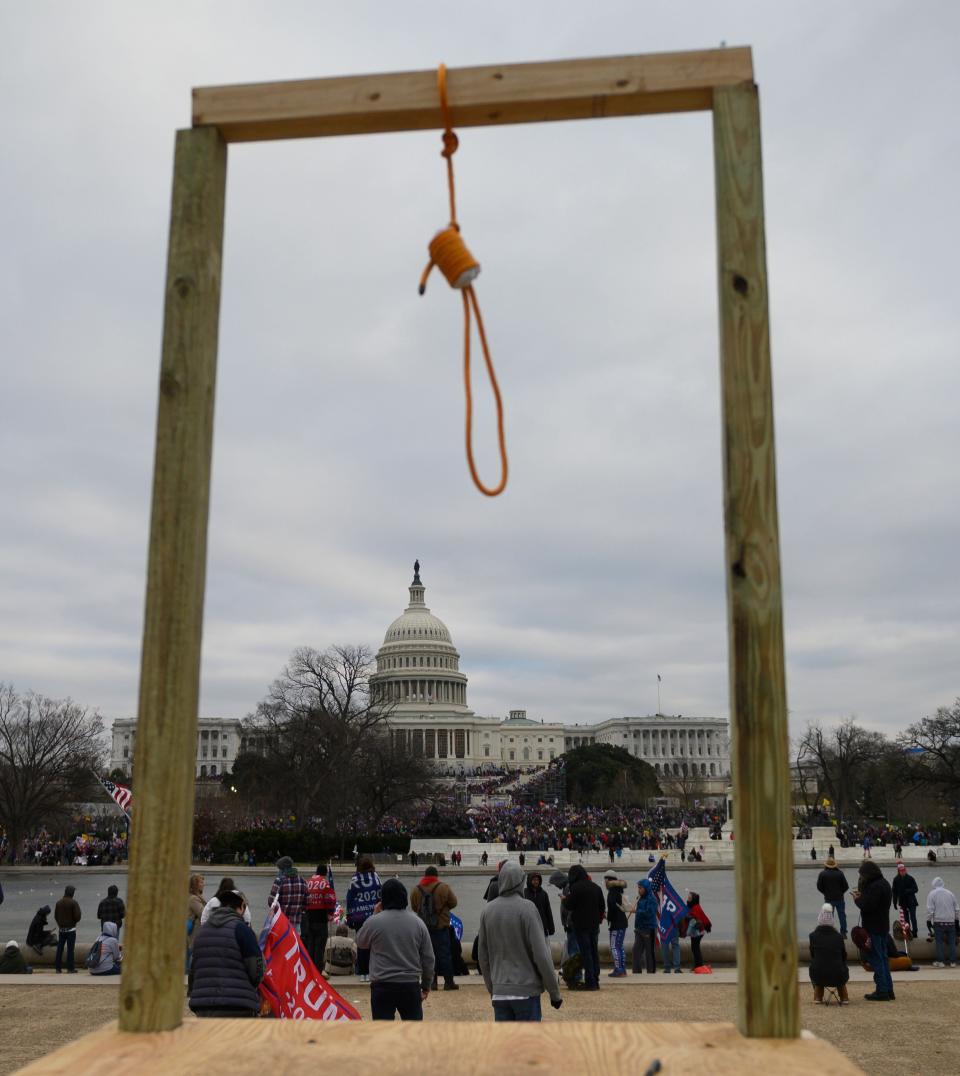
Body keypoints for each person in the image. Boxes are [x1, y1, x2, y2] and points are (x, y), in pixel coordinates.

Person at [478, 861, 563, 1021]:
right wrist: (554, 992)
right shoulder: (528, 908)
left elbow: (483, 957)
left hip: (500, 992)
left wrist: (493, 988)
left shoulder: (487, 911)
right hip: (526, 991)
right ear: (521, 882)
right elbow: (541, 955)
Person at [356, 878, 434, 1021]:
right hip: (410, 984)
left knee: (383, 1033)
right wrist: (426, 985)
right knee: (413, 1034)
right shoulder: (418, 923)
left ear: (382, 899)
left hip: (382, 984)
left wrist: (374, 914)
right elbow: (428, 958)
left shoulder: (374, 922)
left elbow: (361, 942)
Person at [189, 889, 263, 1018]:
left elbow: (193, 969)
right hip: (238, 1005)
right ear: (241, 907)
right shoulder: (242, 930)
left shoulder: (202, 932)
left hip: (204, 1006)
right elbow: (256, 969)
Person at [410, 865, 459, 990]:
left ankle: (432, 982)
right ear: (436, 876)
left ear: (425, 876)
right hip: (441, 927)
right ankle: (448, 982)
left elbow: (414, 907)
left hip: (423, 929)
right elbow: (454, 902)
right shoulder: (443, 887)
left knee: (426, 956)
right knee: (444, 955)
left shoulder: (416, 889)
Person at [852, 860, 894, 1001]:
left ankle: (882, 991)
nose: (862, 878)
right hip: (883, 926)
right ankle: (888, 990)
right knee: (883, 958)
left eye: (862, 875)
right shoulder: (885, 883)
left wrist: (857, 899)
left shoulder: (874, 887)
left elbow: (868, 906)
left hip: (873, 926)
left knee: (876, 959)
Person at [562, 864, 605, 990]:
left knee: (586, 953)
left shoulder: (575, 888)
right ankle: (596, 980)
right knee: (594, 952)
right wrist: (598, 919)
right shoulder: (596, 887)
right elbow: (602, 906)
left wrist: (564, 899)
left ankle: (590, 981)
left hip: (581, 925)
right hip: (594, 924)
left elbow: (570, 905)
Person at [346, 857, 383, 981]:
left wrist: (349, 916)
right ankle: (373, 970)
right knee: (374, 944)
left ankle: (362, 972)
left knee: (362, 944)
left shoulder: (354, 880)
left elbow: (350, 900)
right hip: (374, 915)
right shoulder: (376, 878)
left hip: (359, 916)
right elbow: (381, 896)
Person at [808, 903, 848, 1004]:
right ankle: (844, 997)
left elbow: (812, 955)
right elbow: (844, 956)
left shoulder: (813, 936)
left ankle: (818, 997)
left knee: (817, 967)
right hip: (838, 974)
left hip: (819, 974)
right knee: (839, 968)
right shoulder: (839, 937)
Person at [305, 863, 336, 971]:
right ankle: (317, 971)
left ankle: (309, 969)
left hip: (308, 917)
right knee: (320, 945)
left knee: (310, 944)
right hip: (321, 917)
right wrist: (331, 914)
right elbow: (330, 900)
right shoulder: (325, 883)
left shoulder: (308, 882)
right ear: (325, 873)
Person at [268, 855, 309, 934]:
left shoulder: (279, 881)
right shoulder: (303, 881)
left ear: (283, 869)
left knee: (282, 945)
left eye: (279, 869)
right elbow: (307, 903)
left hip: (281, 922)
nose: (278, 871)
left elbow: (271, 902)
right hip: (296, 923)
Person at [926, 876, 959, 968]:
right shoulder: (950, 893)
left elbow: (930, 909)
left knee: (939, 942)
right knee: (952, 942)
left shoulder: (932, 894)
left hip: (939, 922)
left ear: (933, 884)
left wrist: (928, 920)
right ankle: (953, 962)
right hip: (951, 922)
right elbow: (957, 909)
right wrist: (957, 920)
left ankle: (941, 961)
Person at [603, 870, 629, 978]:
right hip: (622, 922)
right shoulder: (618, 891)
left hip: (616, 923)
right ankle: (622, 968)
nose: (604, 882)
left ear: (608, 880)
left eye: (605, 880)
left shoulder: (611, 893)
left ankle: (618, 969)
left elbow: (612, 909)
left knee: (614, 947)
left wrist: (607, 917)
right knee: (620, 947)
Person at [816, 857, 850, 938]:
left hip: (828, 899)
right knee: (842, 916)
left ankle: (829, 933)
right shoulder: (840, 873)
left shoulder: (822, 874)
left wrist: (825, 892)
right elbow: (846, 886)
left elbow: (819, 887)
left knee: (828, 916)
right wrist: (841, 893)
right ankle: (843, 933)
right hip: (840, 898)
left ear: (826, 865)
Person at [54, 885, 81, 974]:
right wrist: (73, 922)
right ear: (72, 893)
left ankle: (58, 968)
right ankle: (70, 968)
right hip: (71, 930)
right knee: (70, 949)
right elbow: (77, 916)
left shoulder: (58, 903)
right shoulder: (73, 903)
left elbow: (56, 916)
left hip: (61, 930)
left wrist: (60, 924)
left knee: (60, 948)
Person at [632, 880, 657, 974]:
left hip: (648, 928)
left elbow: (650, 913)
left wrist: (637, 911)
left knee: (649, 952)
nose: (638, 890)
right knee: (635, 950)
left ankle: (651, 971)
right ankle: (636, 971)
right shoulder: (639, 898)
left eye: (640, 888)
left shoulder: (652, 899)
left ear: (646, 888)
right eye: (638, 888)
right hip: (639, 928)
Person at [684, 891, 712, 970]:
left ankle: (699, 965)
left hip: (698, 932)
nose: (688, 899)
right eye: (688, 898)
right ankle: (697, 965)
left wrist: (688, 917)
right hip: (696, 932)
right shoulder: (693, 906)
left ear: (693, 899)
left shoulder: (696, 907)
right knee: (695, 948)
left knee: (695, 948)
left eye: (689, 898)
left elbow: (696, 918)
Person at [891, 863, 919, 940]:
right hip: (903, 902)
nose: (903, 872)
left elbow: (916, 889)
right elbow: (894, 892)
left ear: (905, 870)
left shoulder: (910, 878)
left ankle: (915, 932)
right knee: (906, 919)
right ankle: (908, 932)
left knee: (913, 917)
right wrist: (894, 902)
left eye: (904, 870)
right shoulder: (896, 880)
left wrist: (908, 891)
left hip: (911, 901)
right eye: (901, 871)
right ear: (898, 871)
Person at [523, 872, 555, 937]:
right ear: (529, 881)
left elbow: (548, 911)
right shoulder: (524, 893)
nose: (536, 882)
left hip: (542, 926)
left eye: (537, 880)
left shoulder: (544, 894)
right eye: (534, 880)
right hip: (528, 926)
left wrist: (551, 928)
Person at [186, 874, 206, 972]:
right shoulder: (194, 899)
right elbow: (203, 913)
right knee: (192, 954)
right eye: (201, 882)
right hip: (194, 933)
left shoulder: (196, 897)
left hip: (196, 932)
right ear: (195, 885)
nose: (203, 884)